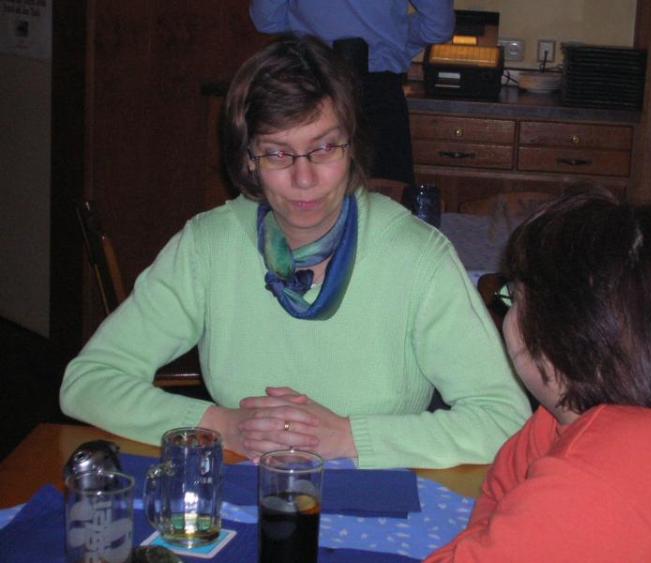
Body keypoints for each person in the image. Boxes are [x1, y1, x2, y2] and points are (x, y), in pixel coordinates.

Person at [59, 35, 531, 469]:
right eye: (278, 153)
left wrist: (349, 437)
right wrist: (220, 425)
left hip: (379, 499)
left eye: (323, 148)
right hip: (242, 492)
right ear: (248, 160)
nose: (304, 180)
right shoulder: (208, 246)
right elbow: (88, 382)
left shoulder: (418, 257)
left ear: (351, 147)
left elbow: (505, 420)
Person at [426, 191, 651, 561]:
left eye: (513, 297)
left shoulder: (588, 482)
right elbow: (500, 496)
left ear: (559, 332)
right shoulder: (571, 417)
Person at [249, 0, 455, 186]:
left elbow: (267, 20)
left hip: (310, 86)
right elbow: (438, 26)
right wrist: (392, 43)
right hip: (378, 87)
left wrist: (309, 38)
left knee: (307, 189)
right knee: (385, 196)